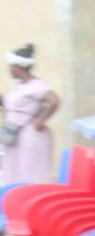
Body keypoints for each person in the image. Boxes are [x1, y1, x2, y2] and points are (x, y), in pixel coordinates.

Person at [3, 44, 59, 185]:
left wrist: (39, 122)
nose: (9, 70)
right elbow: (10, 105)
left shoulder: (37, 85)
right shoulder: (18, 86)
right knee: (13, 171)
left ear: (18, 66)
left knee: (30, 172)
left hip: (30, 137)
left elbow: (54, 101)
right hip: (14, 136)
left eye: (11, 66)